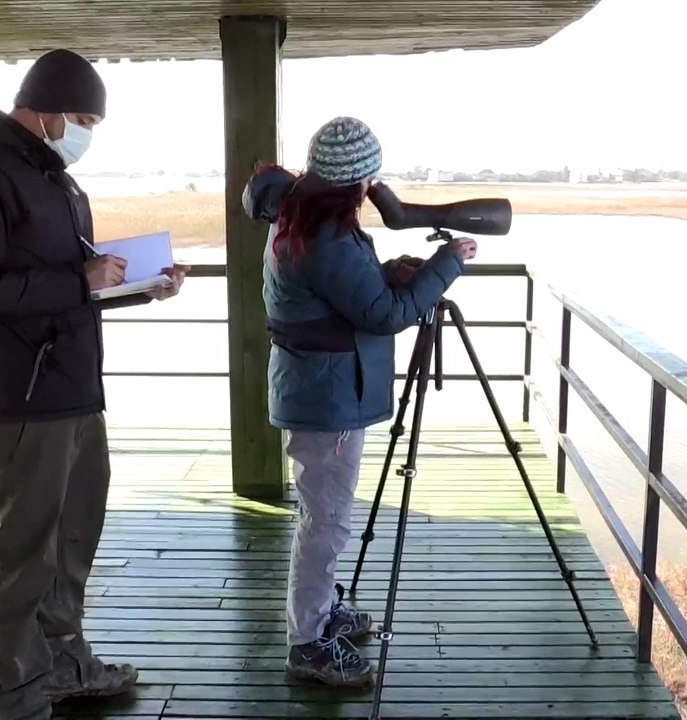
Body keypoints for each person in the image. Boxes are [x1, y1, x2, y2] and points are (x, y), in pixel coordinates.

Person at [0, 49, 187, 720]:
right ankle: (12, 697)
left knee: (72, 541)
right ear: (43, 111)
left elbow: (75, 280)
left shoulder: (55, 178)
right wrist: (80, 281)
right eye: (83, 118)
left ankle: (63, 666)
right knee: (20, 556)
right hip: (18, 399)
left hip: (73, 389)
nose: (87, 133)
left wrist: (135, 286)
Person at [243, 116, 478, 687]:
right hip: (327, 398)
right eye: (370, 178)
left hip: (318, 388)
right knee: (325, 521)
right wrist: (449, 264)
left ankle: (322, 611)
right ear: (353, 182)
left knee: (324, 515)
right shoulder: (324, 235)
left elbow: (351, 292)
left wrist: (390, 271)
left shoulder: (303, 214)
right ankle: (308, 643)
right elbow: (385, 315)